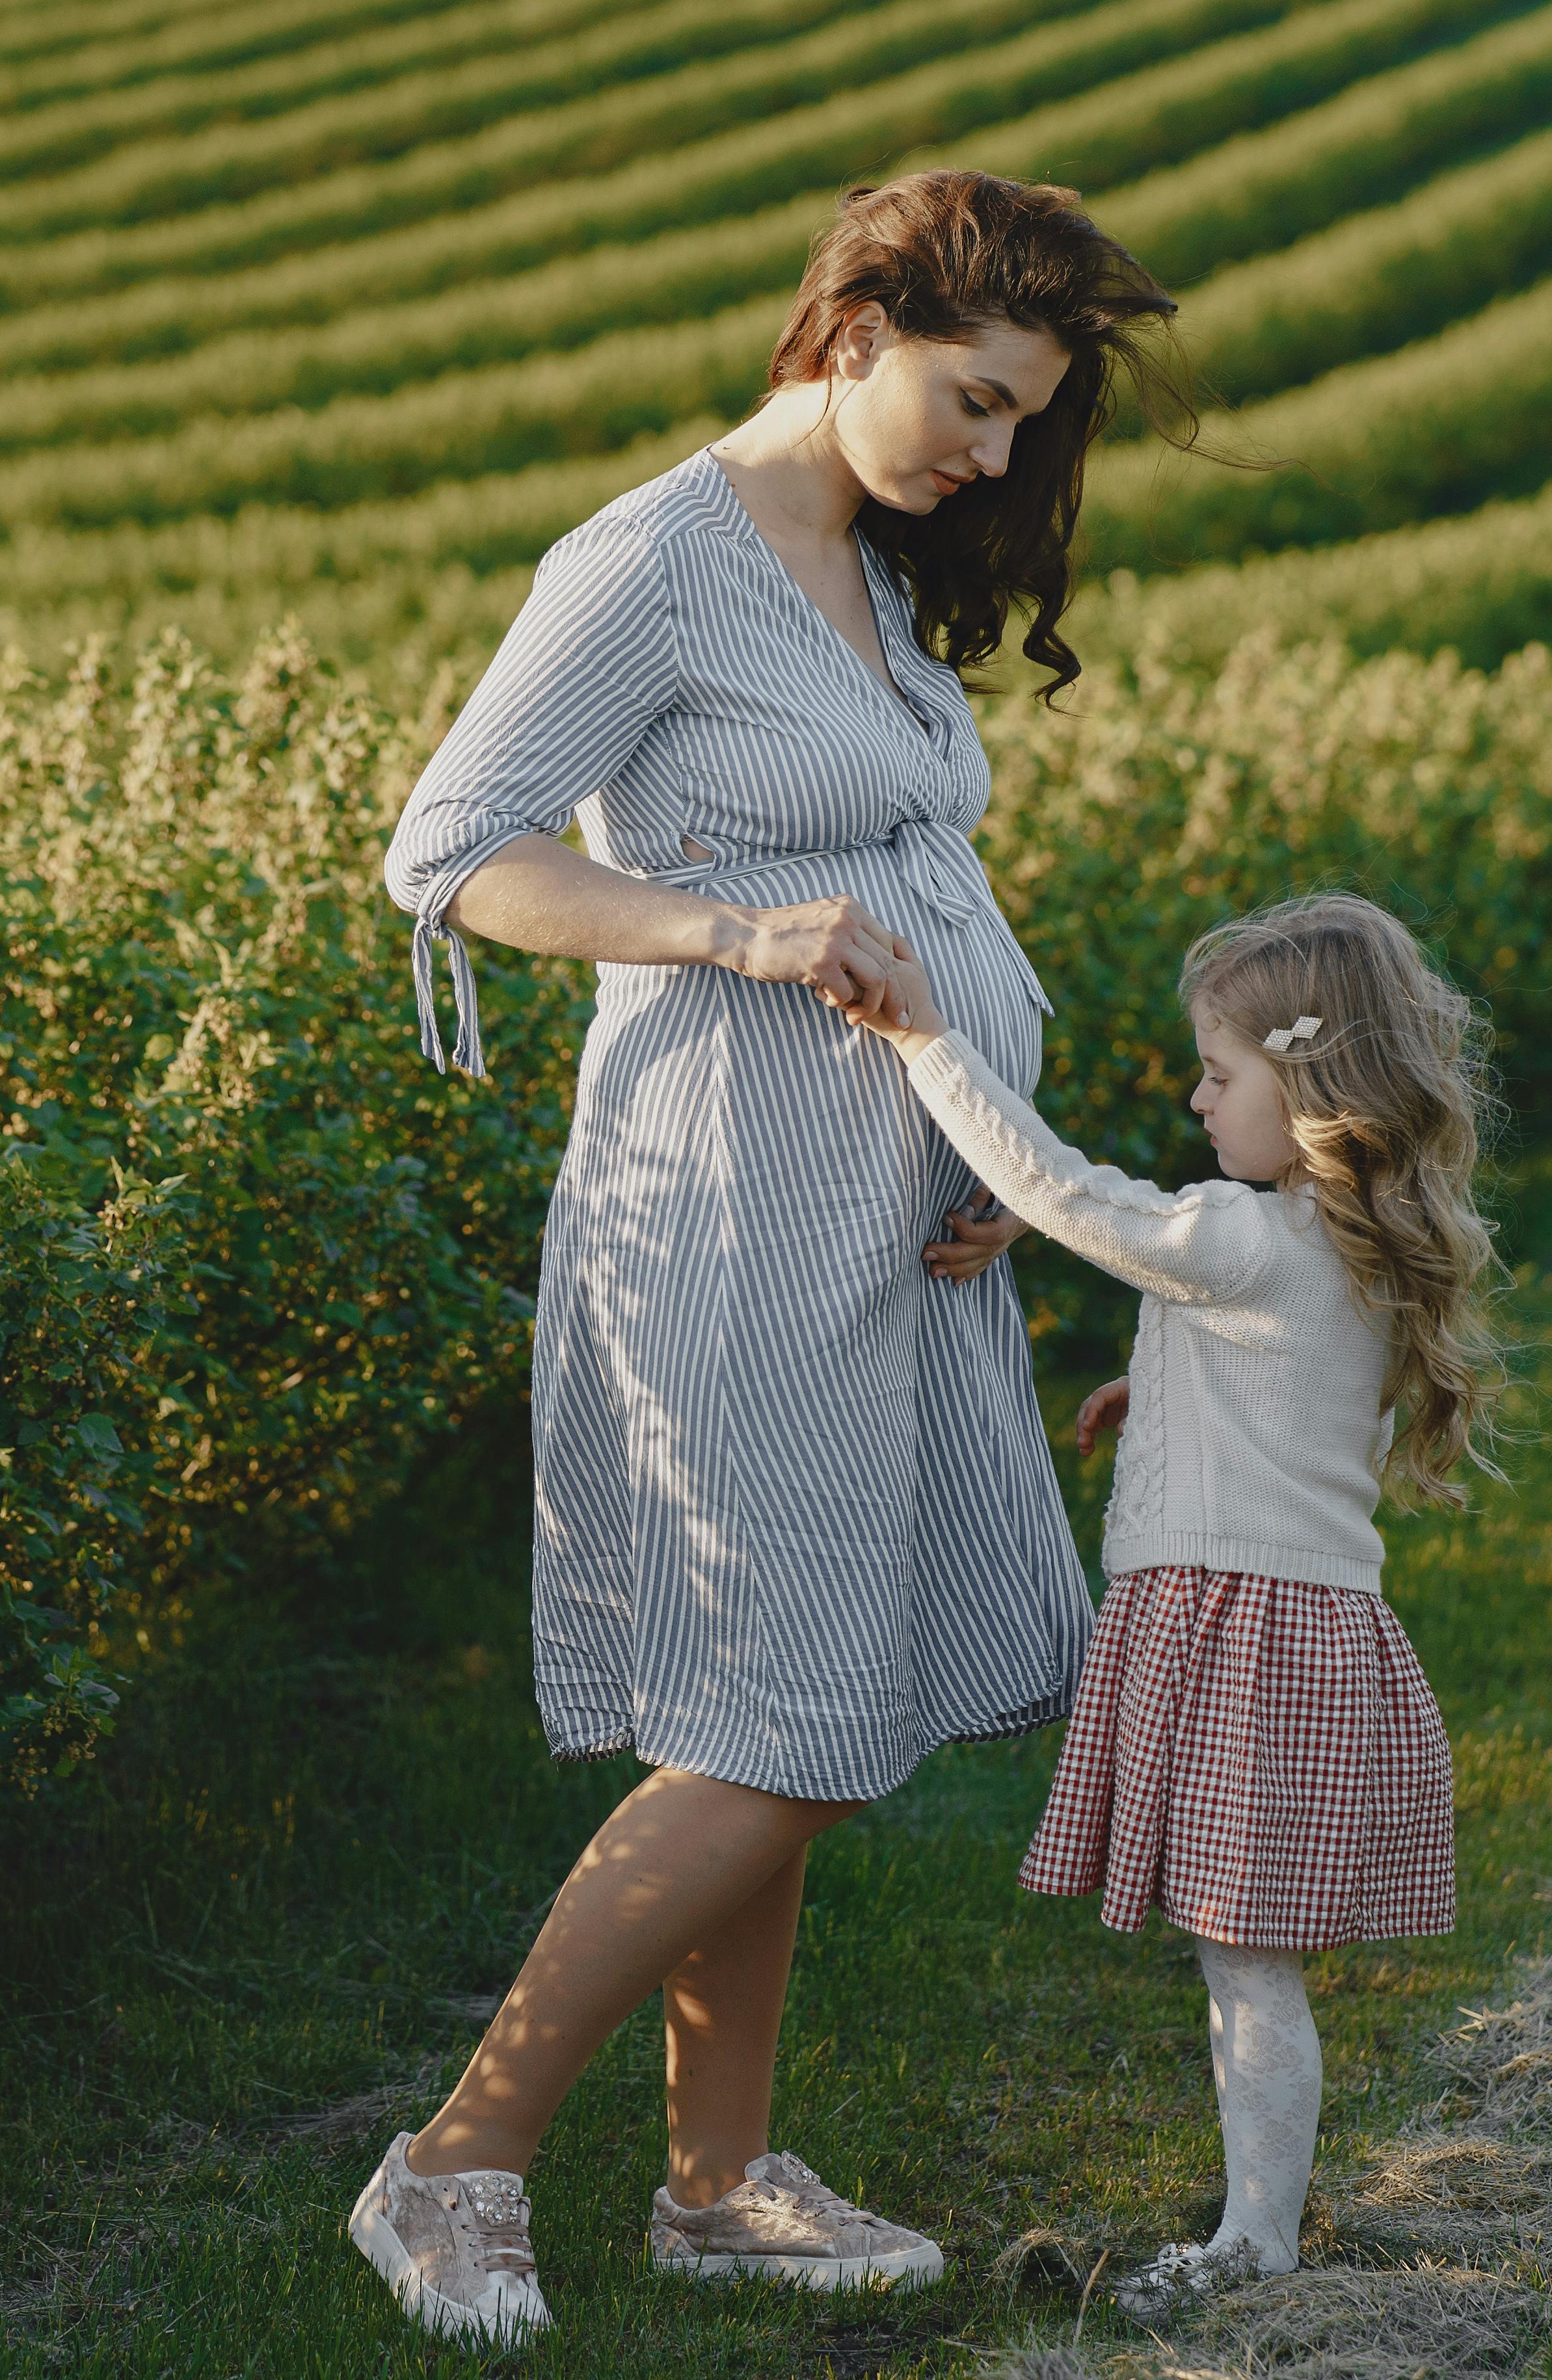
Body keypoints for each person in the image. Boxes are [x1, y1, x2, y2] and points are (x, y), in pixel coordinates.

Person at [354, 172, 1199, 2344]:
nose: (995, 459)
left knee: (790, 1697)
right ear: (855, 327)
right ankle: (457, 2164)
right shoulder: (651, 561)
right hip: (726, 1204)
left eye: (1024, 423)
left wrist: (987, 1147)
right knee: (793, 1724)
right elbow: (454, 848)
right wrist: (729, 928)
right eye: (976, 400)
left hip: (883, 1218)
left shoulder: (869, 565)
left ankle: (720, 2179)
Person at [840, 888, 1510, 2325]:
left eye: (1219, 1071)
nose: (1197, 1097)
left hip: (1239, 1645)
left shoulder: (1241, 1233)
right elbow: (1323, 1413)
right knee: (1240, 1946)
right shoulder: (1360, 1248)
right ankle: (1255, 2214)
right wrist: (1179, 1388)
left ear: (1311, 1085)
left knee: (1249, 1958)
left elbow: (1077, 1196)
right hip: (1300, 1637)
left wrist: (927, 1042)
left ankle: (1259, 2236)